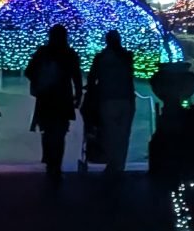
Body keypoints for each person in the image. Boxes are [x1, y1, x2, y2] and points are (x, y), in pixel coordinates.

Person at [26, 24, 83, 178]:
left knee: (47, 130)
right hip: (62, 98)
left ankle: (50, 161)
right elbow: (76, 76)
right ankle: (56, 164)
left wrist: (40, 81)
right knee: (60, 133)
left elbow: (29, 71)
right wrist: (78, 94)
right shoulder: (69, 54)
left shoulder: (42, 53)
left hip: (45, 98)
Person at [86, 30, 136, 175]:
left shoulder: (101, 58)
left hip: (106, 99)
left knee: (109, 133)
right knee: (123, 134)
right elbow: (129, 78)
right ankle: (119, 164)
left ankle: (112, 163)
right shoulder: (126, 57)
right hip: (126, 99)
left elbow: (92, 78)